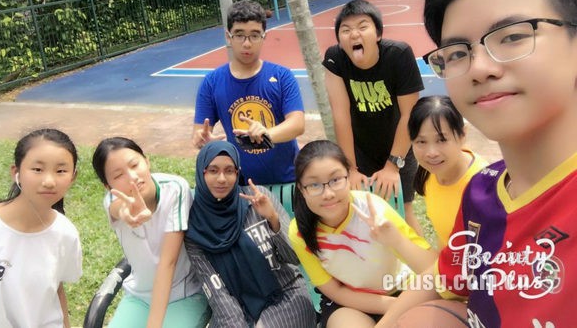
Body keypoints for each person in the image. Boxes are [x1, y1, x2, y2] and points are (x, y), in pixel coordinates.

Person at [376, 0, 577, 328]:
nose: (479, 67)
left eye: (512, 36)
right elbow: (445, 275)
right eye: (456, 53)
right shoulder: (482, 192)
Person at [288, 140, 437, 328]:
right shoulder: (299, 232)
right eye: (314, 185)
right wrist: (395, 309)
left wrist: (396, 241)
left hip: (402, 291)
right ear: (301, 189)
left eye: (335, 180)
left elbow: (434, 268)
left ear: (349, 177)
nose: (328, 194)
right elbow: (336, 291)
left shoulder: (374, 210)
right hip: (350, 302)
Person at [185, 140, 316, 328]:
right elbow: (217, 293)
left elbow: (294, 258)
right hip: (235, 310)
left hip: (285, 295)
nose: (222, 178)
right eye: (213, 170)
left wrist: (273, 219)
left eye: (229, 171)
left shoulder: (258, 198)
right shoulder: (196, 229)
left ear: (237, 173)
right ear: (201, 172)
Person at [322, 0, 424, 233]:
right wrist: (350, 167)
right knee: (362, 213)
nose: (354, 34)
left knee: (403, 212)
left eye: (362, 26)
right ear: (339, 40)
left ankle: (422, 258)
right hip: (360, 151)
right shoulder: (335, 58)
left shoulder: (399, 54)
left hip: (398, 146)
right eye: (345, 30)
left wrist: (393, 165)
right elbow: (341, 115)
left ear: (378, 33)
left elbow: (409, 114)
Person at [92, 137, 210, 328]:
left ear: (146, 161)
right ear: (108, 186)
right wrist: (126, 212)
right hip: (138, 297)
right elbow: (117, 208)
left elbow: (168, 263)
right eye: (118, 175)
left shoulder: (174, 189)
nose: (132, 177)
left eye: (134, 165)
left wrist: (153, 325)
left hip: (183, 295)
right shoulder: (113, 200)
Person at [0, 128, 82, 328]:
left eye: (61, 171)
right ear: (16, 172)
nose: (49, 181)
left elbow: (57, 289)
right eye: (37, 169)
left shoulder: (66, 233)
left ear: (73, 177)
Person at [192, 0, 305, 185]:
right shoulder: (211, 82)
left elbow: (297, 124)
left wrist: (266, 133)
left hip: (288, 180)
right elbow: (200, 132)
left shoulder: (282, 76)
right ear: (228, 37)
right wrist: (204, 142)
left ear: (264, 36)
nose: (246, 43)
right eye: (239, 35)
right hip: (241, 185)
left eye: (254, 35)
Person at [409, 95, 489, 249]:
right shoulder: (429, 174)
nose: (431, 153)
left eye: (442, 140)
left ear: (463, 135)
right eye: (421, 141)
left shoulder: (482, 185)